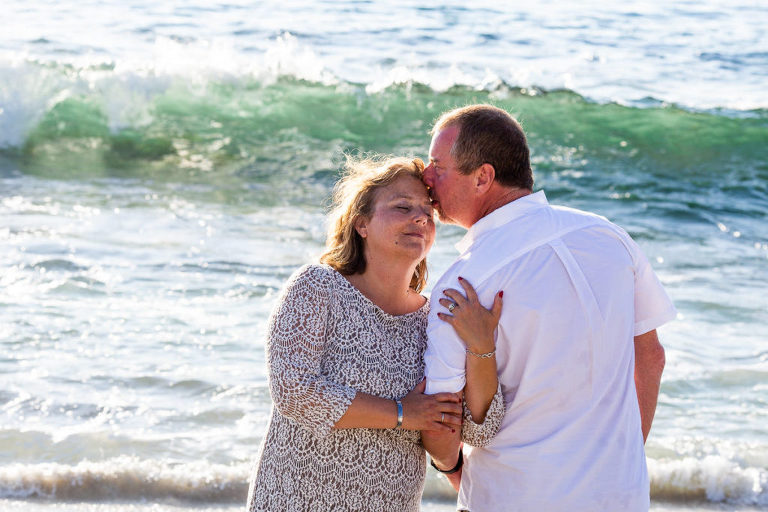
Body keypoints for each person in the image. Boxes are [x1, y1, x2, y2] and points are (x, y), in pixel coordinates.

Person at [421, 105, 676, 511]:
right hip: (619, 496)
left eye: (437, 165)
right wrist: (622, 463)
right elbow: (652, 357)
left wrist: (452, 471)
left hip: (512, 496)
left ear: (483, 177)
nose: (425, 177)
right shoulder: (609, 236)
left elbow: (441, 416)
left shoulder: (464, 284)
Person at [246, 156, 503, 512]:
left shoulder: (437, 319)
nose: (420, 218)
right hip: (296, 502)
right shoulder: (317, 287)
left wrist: (480, 347)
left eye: (428, 211)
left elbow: (479, 430)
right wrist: (402, 413)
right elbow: (293, 390)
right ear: (361, 224)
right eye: (402, 207)